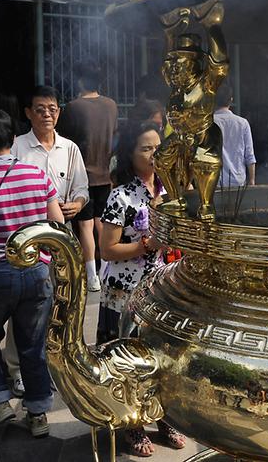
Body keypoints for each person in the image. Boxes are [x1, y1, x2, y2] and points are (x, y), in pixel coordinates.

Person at [0, 109, 63, 437]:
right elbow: (56, 224)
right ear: (12, 139)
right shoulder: (36, 174)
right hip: (36, 271)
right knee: (33, 344)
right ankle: (38, 415)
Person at [97, 121, 186, 456]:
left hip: (161, 288)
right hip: (126, 291)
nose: (153, 154)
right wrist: (145, 246)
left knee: (163, 356)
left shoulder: (169, 191)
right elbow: (107, 249)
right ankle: (132, 423)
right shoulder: (121, 196)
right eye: (145, 148)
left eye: (156, 148)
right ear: (130, 155)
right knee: (130, 360)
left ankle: (164, 418)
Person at [9, 85, 88, 395]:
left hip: (61, 241)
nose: (47, 114)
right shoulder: (17, 147)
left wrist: (78, 204)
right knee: (24, 305)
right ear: (28, 112)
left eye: (52, 108)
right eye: (40, 108)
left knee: (60, 303)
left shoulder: (69, 149)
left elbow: (81, 188)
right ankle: (17, 368)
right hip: (27, 240)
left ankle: (54, 362)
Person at [58, 66, 118, 292]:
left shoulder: (74, 107)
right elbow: (115, 136)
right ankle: (107, 268)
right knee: (102, 221)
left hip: (81, 174)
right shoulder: (111, 105)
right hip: (104, 173)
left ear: (81, 80)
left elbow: (62, 138)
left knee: (84, 225)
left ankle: (92, 275)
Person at [212, 82, 256, 188]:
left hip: (214, 183)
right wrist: (252, 181)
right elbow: (249, 156)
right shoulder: (243, 123)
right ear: (231, 100)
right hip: (238, 183)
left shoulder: (208, 123)